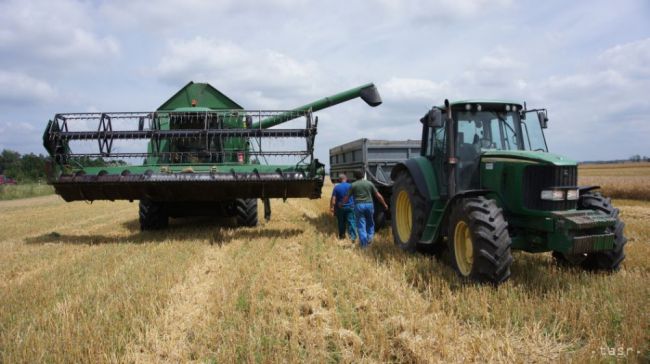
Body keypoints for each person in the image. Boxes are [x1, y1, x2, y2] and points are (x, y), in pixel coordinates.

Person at [344, 170, 388, 248]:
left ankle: (364, 246)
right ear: (362, 175)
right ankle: (370, 238)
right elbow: (378, 195)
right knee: (370, 223)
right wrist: (384, 204)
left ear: (355, 177)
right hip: (369, 205)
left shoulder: (353, 185)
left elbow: (347, 197)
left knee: (361, 225)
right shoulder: (369, 183)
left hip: (359, 205)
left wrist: (342, 204)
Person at [330, 174, 357, 241]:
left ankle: (342, 236)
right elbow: (355, 197)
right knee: (351, 221)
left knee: (341, 222)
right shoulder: (350, 186)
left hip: (340, 208)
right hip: (350, 207)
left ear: (339, 180)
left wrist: (332, 207)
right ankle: (353, 237)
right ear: (346, 179)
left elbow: (333, 199)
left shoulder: (336, 187)